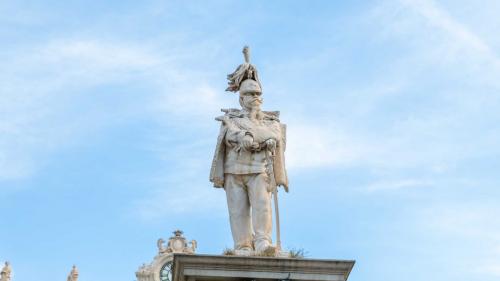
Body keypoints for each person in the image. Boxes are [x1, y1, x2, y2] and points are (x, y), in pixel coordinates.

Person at [210, 47, 288, 255]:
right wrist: (241, 136)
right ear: (241, 98)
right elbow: (228, 136)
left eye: (257, 94)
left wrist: (251, 135)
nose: (255, 97)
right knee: (238, 212)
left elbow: (274, 135)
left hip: (258, 169)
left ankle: (262, 241)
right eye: (250, 94)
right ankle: (243, 245)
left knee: (262, 206)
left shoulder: (270, 120)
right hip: (233, 170)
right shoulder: (231, 119)